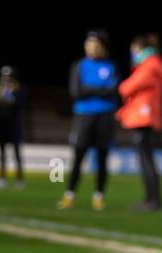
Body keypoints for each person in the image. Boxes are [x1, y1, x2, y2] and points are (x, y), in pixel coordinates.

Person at [58, 30, 118, 211]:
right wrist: (100, 90)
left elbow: (114, 92)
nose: (91, 47)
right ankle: (69, 195)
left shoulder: (111, 67)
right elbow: (76, 92)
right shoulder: (79, 65)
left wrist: (90, 89)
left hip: (105, 118)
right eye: (88, 44)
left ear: (102, 47)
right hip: (83, 117)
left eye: (95, 44)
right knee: (78, 157)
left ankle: (98, 197)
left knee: (102, 157)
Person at [116, 35, 162, 212]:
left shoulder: (149, 65)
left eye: (134, 49)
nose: (133, 53)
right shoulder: (153, 65)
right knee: (146, 160)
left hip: (143, 118)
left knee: (146, 161)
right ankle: (151, 199)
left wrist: (123, 88)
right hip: (146, 117)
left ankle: (153, 201)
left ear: (141, 49)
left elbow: (126, 87)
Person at [0, 66, 25, 188]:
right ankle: (2, 176)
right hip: (2, 128)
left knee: (16, 154)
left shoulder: (18, 90)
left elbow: (22, 105)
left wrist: (13, 97)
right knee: (2, 154)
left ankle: (19, 178)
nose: (7, 79)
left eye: (9, 77)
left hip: (14, 127)